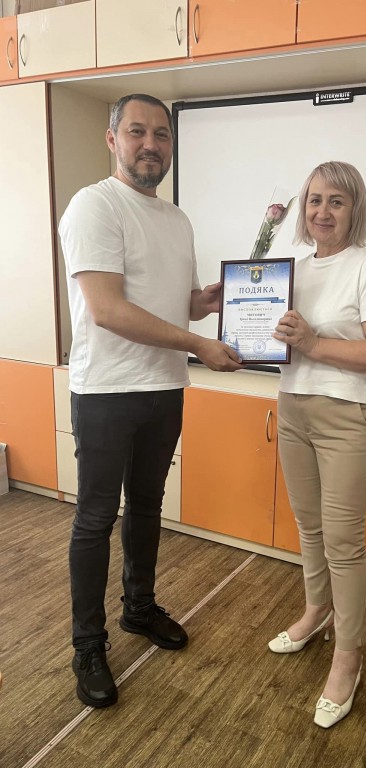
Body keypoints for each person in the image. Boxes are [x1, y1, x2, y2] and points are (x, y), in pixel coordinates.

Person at [59, 93, 242, 709]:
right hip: (107, 391)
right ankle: (88, 644)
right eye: (137, 132)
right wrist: (197, 344)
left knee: (146, 507)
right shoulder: (94, 205)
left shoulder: (177, 220)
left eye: (162, 134)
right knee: (95, 519)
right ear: (112, 139)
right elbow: (108, 310)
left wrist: (208, 303)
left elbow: (175, 302)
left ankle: (138, 608)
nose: (151, 144)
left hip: (163, 386)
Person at [268, 161, 366, 729]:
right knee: (310, 527)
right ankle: (316, 610)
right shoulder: (291, 271)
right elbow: (274, 335)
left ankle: (349, 654)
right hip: (293, 408)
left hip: (348, 416)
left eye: (336, 201)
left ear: (355, 210)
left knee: (343, 541)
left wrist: (314, 343)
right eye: (314, 200)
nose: (322, 211)